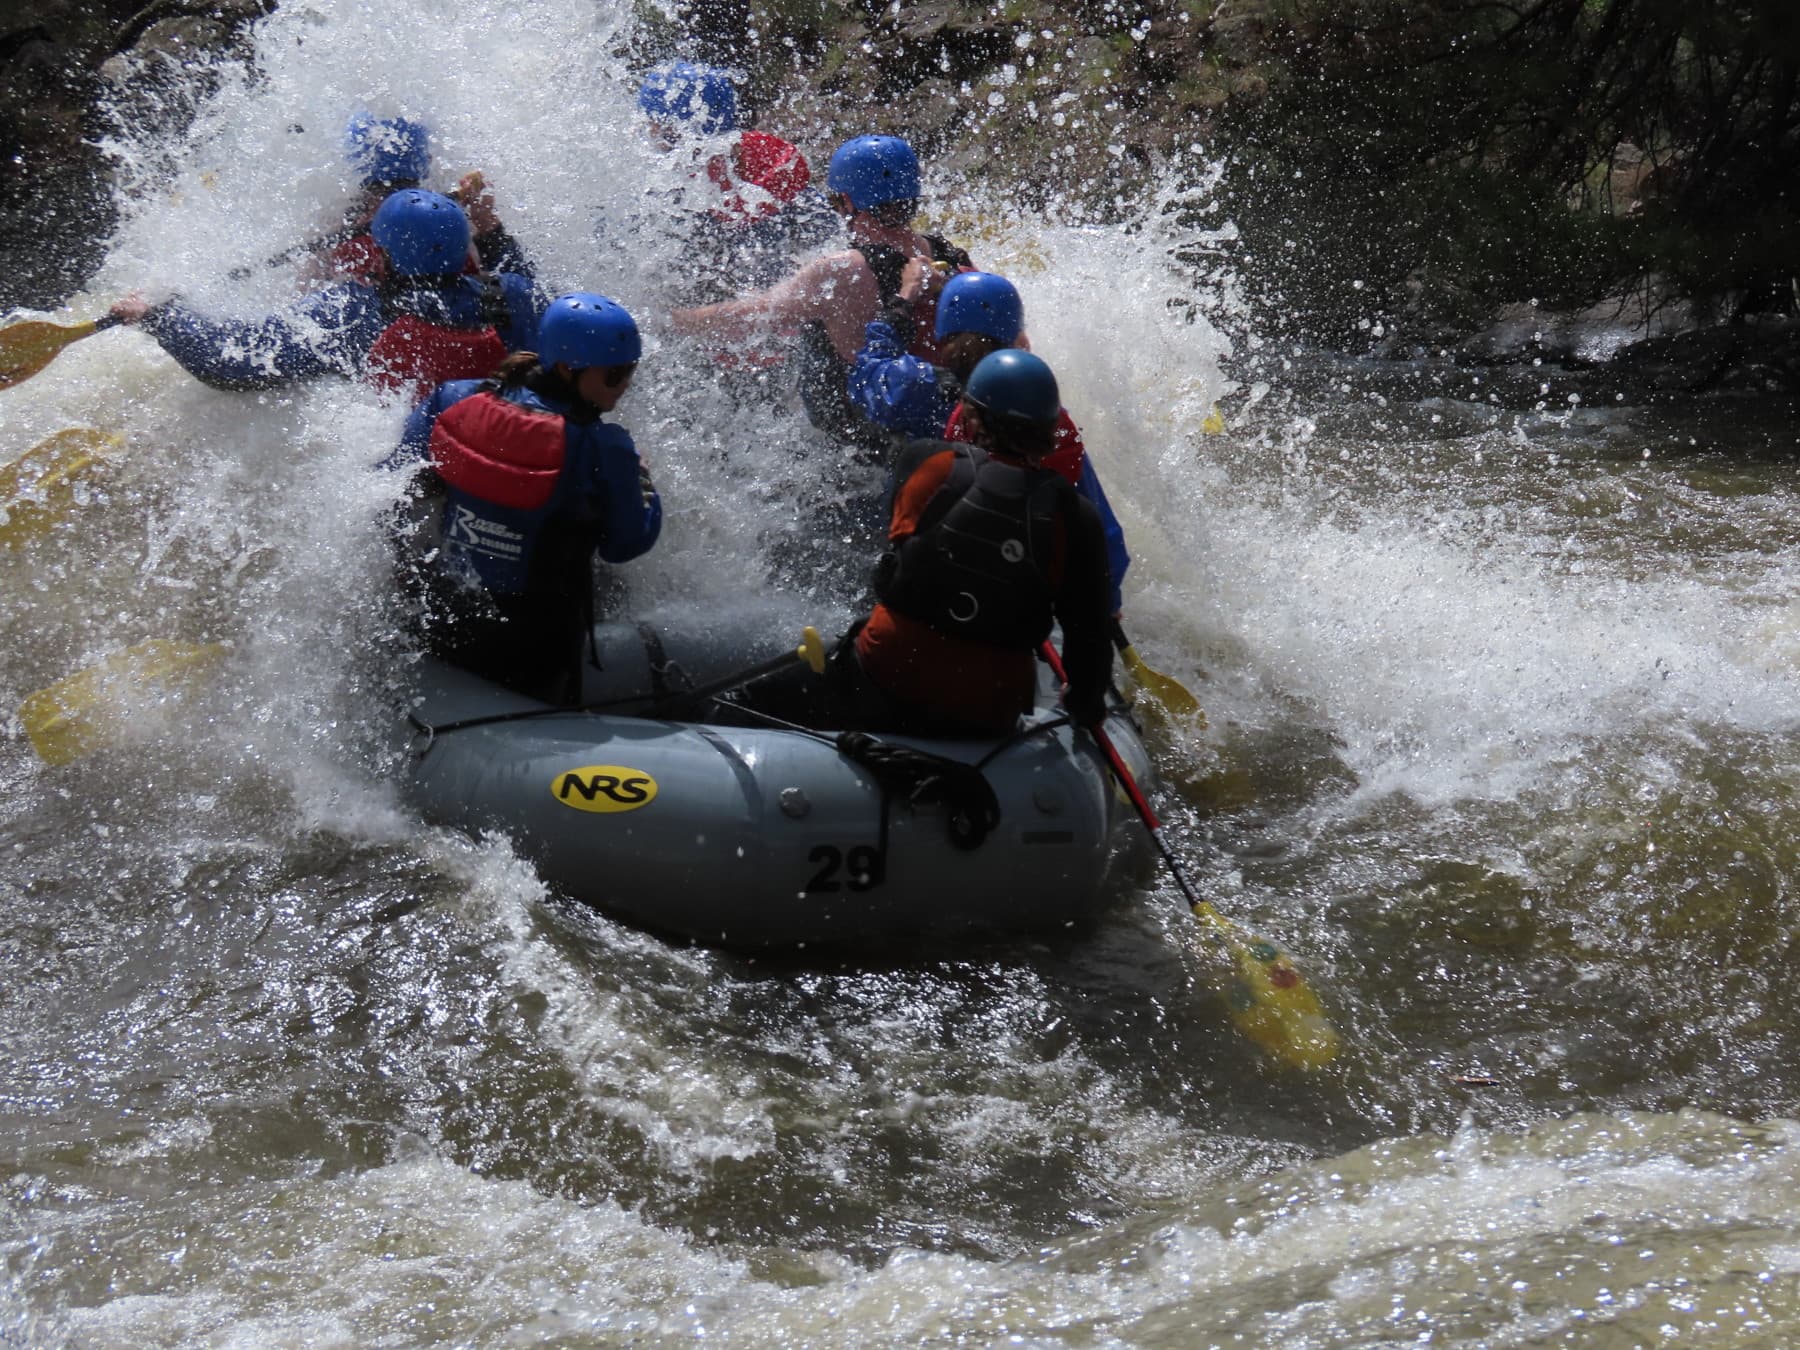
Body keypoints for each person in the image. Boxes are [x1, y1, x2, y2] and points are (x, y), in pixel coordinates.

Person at [738, 349, 1113, 738]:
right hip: (989, 715)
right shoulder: (1078, 517)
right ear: (1050, 428)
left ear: (973, 416)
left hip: (882, 677)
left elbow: (901, 558)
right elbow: (1090, 639)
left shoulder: (926, 462)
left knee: (747, 701)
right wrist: (1085, 707)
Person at [385, 293, 663, 705]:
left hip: (443, 614)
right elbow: (625, 545)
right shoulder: (604, 447)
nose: (624, 386)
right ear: (569, 370)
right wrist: (644, 482)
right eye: (615, 374)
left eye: (630, 372)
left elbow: (391, 483)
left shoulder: (453, 399)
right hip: (532, 648)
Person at [847, 267, 1133, 616]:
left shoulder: (914, 387)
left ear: (942, 337)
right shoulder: (1041, 418)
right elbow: (1100, 527)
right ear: (1019, 342)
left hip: (929, 571)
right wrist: (1109, 601)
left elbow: (867, 374)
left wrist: (902, 302)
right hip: (1012, 578)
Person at [668, 133, 973, 443]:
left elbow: (753, 316)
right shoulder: (947, 255)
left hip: (861, 448)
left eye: (835, 200)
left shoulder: (843, 271)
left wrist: (675, 320)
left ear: (848, 201)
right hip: (942, 421)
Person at [108, 190, 540, 400]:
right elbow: (534, 292)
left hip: (414, 452)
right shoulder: (511, 294)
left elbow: (232, 362)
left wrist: (159, 317)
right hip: (486, 446)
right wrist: (494, 230)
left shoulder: (352, 312)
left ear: (384, 253)